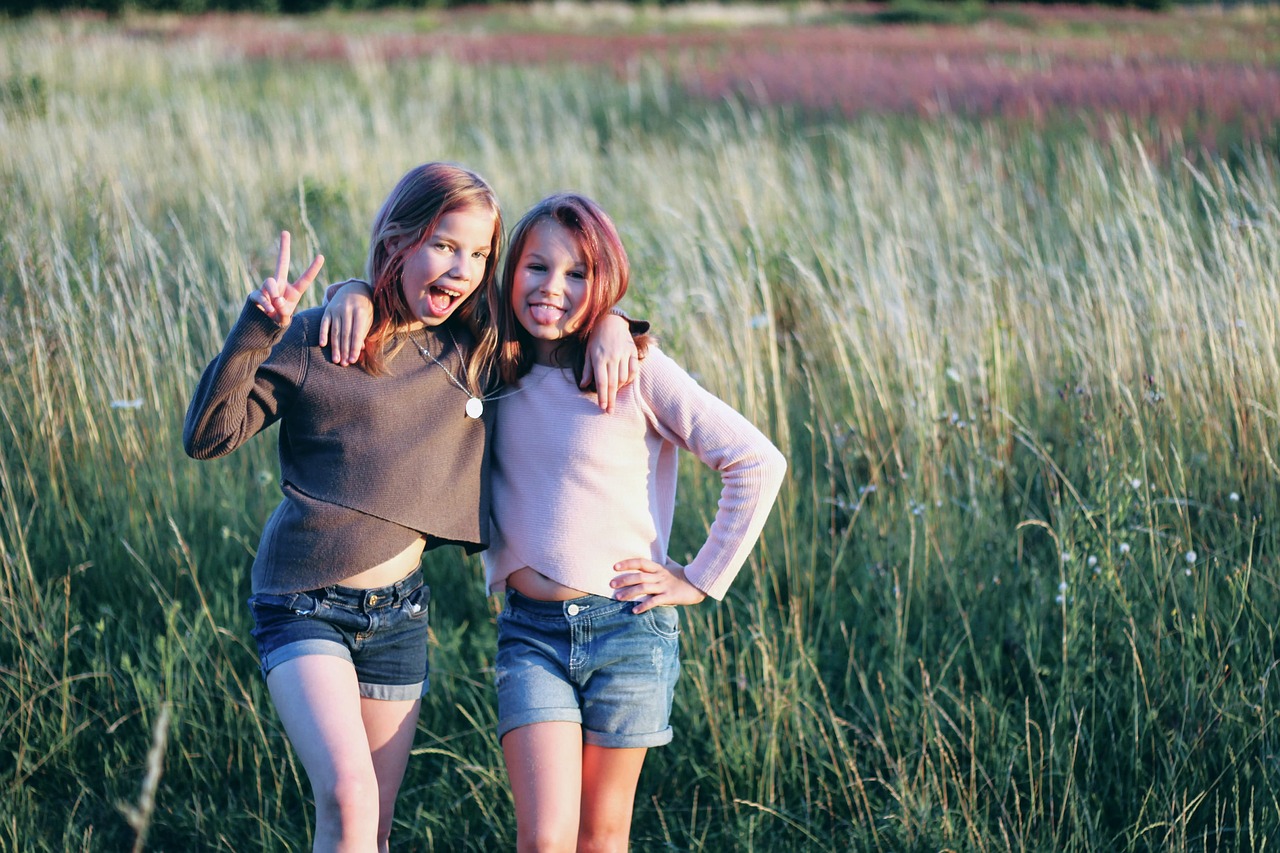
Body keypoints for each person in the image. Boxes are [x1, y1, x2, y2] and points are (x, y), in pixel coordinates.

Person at [182, 163, 638, 853]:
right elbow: (209, 435)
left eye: (480, 253)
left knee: (375, 826)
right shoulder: (325, 337)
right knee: (350, 796)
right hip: (302, 600)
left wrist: (613, 325)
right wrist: (263, 325)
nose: (463, 268)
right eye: (445, 244)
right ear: (397, 240)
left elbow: (556, 312)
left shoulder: (478, 346)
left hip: (398, 618)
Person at [485, 193, 787, 852]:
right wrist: (350, 295)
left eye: (577, 275)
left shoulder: (635, 369)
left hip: (628, 629)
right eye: (536, 267)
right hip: (529, 633)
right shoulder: (492, 364)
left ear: (604, 285)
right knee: (543, 838)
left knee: (602, 834)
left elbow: (756, 461)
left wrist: (699, 578)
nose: (551, 288)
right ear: (510, 272)